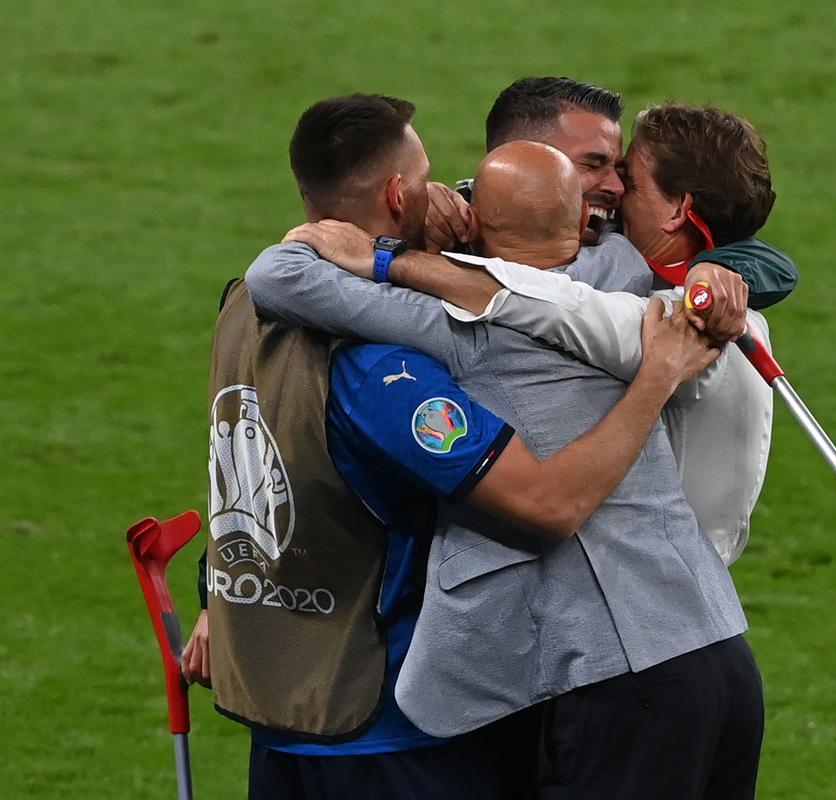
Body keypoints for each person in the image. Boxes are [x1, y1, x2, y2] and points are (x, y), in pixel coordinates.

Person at [197, 93, 721, 800]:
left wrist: (215, 596)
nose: (449, 200)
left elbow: (260, 462)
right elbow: (545, 499)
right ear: (394, 194)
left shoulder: (241, 312)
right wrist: (658, 374)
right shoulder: (387, 367)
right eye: (430, 181)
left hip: (277, 707)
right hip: (388, 729)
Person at [289, 102, 781, 565]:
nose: (611, 189)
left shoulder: (695, 324)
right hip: (634, 589)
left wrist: (388, 257)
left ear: (678, 210)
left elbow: (561, 306)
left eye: (628, 178)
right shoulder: (683, 283)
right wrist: (442, 206)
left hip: (646, 596)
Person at [424, 76, 797, 319]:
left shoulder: (615, 237)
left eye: (621, 171)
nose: (617, 188)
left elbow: (771, 262)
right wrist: (419, 213)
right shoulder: (441, 228)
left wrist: (720, 268)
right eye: (593, 164)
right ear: (525, 158)